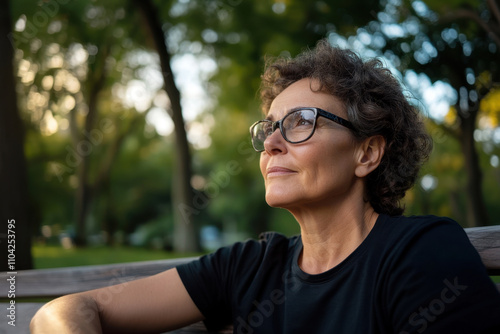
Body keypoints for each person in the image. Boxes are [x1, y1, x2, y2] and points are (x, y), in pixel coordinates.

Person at [30, 39, 500, 334]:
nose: (271, 143)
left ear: (367, 153)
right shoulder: (248, 267)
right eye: (268, 127)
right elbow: (69, 309)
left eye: (300, 123)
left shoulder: (422, 254)